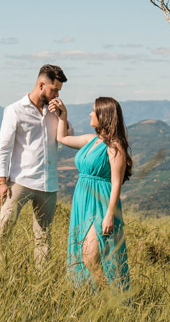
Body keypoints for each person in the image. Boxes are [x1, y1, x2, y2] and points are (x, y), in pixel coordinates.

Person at [0, 64, 72, 266]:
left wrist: (63, 115)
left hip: (48, 184)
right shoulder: (14, 111)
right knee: (4, 231)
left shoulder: (55, 111)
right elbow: (4, 147)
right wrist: (2, 182)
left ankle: (41, 281)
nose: (56, 95)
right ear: (41, 85)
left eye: (58, 91)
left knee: (44, 238)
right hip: (20, 181)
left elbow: (67, 137)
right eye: (54, 89)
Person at [56, 96, 132, 290]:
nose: (90, 114)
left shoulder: (115, 147)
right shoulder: (92, 141)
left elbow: (116, 183)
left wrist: (109, 216)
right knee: (84, 254)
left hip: (101, 202)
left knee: (90, 257)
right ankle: (94, 296)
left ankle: (108, 297)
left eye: (93, 110)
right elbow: (62, 138)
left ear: (104, 115)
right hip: (82, 200)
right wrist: (63, 115)